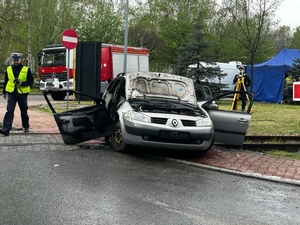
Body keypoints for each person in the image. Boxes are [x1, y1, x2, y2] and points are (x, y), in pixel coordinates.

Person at [0, 53, 34, 136]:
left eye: (17, 60)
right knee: (10, 110)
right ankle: (6, 129)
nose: (16, 61)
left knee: (24, 111)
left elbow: (31, 81)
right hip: (12, 93)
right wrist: (4, 92)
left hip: (22, 93)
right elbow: (6, 81)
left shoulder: (26, 69)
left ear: (20, 60)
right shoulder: (9, 69)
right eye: (14, 60)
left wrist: (22, 83)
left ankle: (26, 126)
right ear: (12, 60)